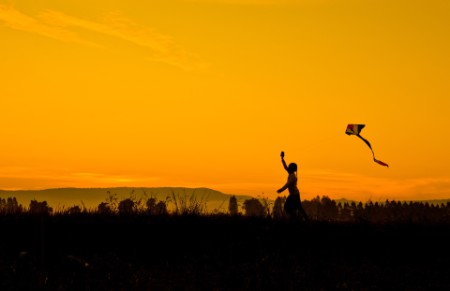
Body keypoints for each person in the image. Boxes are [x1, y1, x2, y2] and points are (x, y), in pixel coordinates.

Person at [277, 151, 309, 220]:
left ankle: (295, 219)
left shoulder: (292, 177)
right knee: (298, 208)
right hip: (293, 194)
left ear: (292, 169)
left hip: (295, 195)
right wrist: (282, 158)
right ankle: (305, 220)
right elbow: (285, 166)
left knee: (288, 207)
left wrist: (281, 189)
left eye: (290, 166)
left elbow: (287, 184)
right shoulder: (290, 174)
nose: (288, 167)